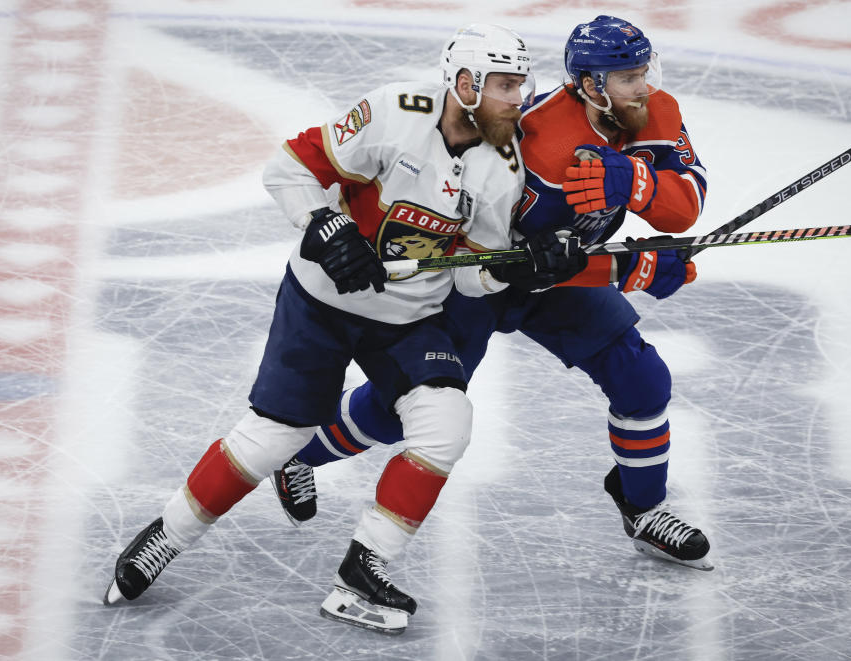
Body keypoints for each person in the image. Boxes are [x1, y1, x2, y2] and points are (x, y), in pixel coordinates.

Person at [103, 23, 585, 636]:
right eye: (505, 85)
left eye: (521, 84)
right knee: (274, 438)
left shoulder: (502, 166)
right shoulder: (393, 112)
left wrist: (525, 270)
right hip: (320, 304)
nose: (518, 99)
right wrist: (323, 225)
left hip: (408, 320)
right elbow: (287, 169)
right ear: (463, 84)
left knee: (447, 425)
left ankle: (362, 572)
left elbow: (470, 281)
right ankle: (165, 537)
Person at [274, 13, 714, 578]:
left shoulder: (655, 109)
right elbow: (513, 261)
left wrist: (637, 183)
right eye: (627, 76)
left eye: (644, 70)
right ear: (590, 85)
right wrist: (626, 269)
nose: (643, 86)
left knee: (643, 378)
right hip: (481, 277)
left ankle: (644, 508)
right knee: (400, 410)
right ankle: (299, 455)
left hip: (558, 273)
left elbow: (688, 202)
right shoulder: (539, 143)